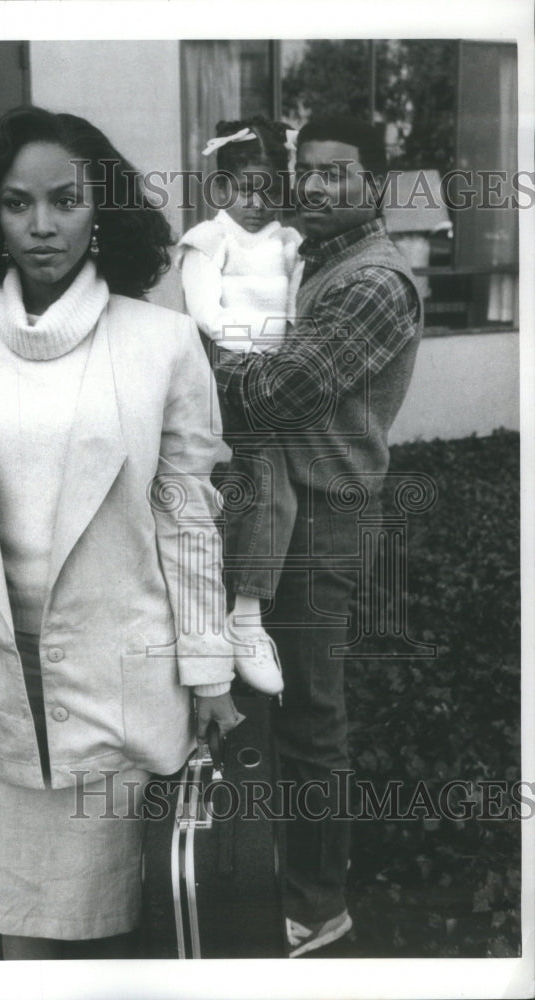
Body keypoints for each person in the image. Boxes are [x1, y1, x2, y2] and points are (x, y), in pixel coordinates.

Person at [0, 105, 240, 961]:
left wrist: (207, 672)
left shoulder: (161, 344)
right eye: (19, 204)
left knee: (134, 926)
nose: (42, 225)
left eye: (65, 200)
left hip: (122, 677)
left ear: (104, 211)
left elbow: (188, 522)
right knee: (22, 927)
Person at [207, 115, 423, 957]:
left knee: (309, 717)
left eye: (340, 172)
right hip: (276, 509)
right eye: (309, 170)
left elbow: (277, 396)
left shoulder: (372, 282)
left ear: (376, 180)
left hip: (323, 520)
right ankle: (274, 879)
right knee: (271, 706)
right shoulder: (314, 258)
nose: (318, 186)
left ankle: (316, 907)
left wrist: (193, 357)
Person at [177, 116, 304, 699]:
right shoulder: (210, 240)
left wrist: (281, 347)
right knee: (257, 478)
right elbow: (209, 315)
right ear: (223, 187)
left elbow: (303, 317)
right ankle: (242, 619)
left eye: (271, 189)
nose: (258, 202)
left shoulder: (286, 244)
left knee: (266, 483)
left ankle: (244, 616)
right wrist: (271, 338)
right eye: (245, 187)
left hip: (274, 378)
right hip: (224, 374)